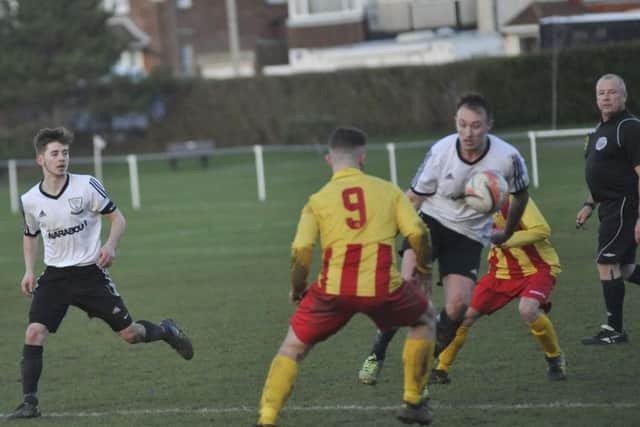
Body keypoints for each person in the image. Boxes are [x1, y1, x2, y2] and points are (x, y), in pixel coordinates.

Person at [254, 127, 436, 427]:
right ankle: (414, 401)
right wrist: (425, 270)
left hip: (332, 291)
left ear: (329, 159)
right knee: (425, 319)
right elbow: (418, 232)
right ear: (363, 157)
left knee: (291, 348)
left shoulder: (317, 200)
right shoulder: (388, 190)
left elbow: (301, 251)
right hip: (382, 287)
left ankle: (267, 418)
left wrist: (298, 289)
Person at [9, 127, 194, 419]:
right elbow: (30, 234)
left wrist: (110, 246)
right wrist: (29, 271)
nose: (62, 158)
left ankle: (166, 331)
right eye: (55, 154)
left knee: (131, 334)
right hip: (55, 277)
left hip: (90, 275)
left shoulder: (86, 186)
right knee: (34, 332)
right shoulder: (30, 199)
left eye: (65, 153)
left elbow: (118, 219)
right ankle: (30, 403)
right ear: (40, 160)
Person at [359, 93, 530, 385]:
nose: (468, 133)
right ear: (455, 123)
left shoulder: (508, 158)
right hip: (430, 222)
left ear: (489, 125)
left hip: (469, 235)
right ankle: (378, 351)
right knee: (409, 286)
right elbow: (413, 198)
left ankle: (428, 352)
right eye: (462, 125)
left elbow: (521, 195)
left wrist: (509, 231)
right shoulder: (441, 152)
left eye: (476, 126)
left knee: (458, 306)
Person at [429, 196, 566, 384]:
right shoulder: (471, 202)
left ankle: (554, 359)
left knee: (528, 310)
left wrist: (504, 238)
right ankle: (441, 370)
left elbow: (542, 230)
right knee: (463, 316)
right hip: (501, 272)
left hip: (538, 268)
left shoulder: (514, 199)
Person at [577, 73, 640, 345]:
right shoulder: (599, 130)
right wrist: (589, 204)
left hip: (624, 204)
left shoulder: (629, 127)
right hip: (608, 206)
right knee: (624, 269)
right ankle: (614, 329)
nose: (606, 97)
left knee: (606, 261)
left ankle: (614, 329)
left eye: (612, 92)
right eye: (601, 92)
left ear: (624, 96)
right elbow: (600, 173)